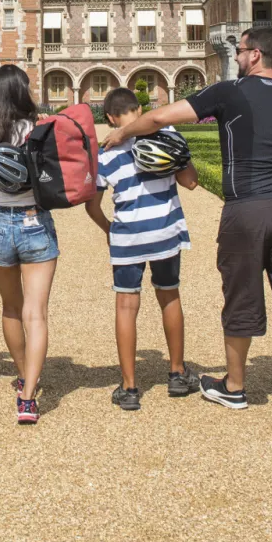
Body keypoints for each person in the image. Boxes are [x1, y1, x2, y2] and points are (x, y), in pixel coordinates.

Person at [103, 26, 272, 410]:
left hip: (247, 208)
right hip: (236, 212)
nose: (237, 55)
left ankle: (233, 386)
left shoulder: (231, 90)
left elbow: (159, 118)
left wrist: (124, 133)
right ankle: (186, 373)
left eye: (240, 49)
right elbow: (191, 179)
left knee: (241, 297)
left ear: (255, 55)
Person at [86, 87, 200, 410]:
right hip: (165, 230)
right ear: (140, 109)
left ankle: (130, 388)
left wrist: (109, 230)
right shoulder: (168, 134)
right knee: (169, 296)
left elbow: (92, 206)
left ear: (110, 118)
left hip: (127, 236)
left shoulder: (106, 152)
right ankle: (177, 374)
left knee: (126, 306)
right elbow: (190, 181)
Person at [0, 64, 58, 425]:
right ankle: (28, 397)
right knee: (36, 313)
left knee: (10, 308)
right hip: (35, 220)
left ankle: (23, 374)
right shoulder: (37, 129)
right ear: (22, 92)